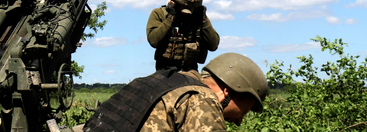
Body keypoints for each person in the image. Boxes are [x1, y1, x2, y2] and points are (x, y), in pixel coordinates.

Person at [83, 52, 269, 132]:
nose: (238, 122)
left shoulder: (164, 82)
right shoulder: (202, 99)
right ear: (228, 91)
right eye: (243, 112)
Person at [146, 0, 220, 73]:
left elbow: (213, 45)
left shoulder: (199, 18)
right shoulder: (160, 14)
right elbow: (154, 41)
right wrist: (170, 18)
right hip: (165, 70)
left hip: (191, 70)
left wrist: (204, 19)